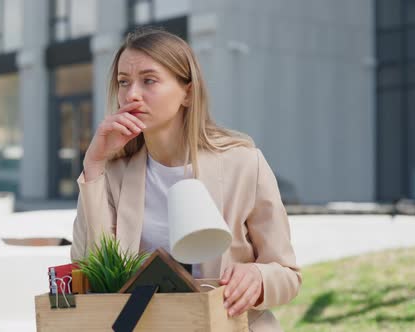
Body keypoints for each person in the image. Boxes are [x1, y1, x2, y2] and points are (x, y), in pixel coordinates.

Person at [70, 28, 301, 331]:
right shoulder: (112, 173)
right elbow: (89, 273)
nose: (131, 95)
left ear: (188, 92)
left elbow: (287, 275)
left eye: (148, 80)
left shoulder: (244, 163)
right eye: (123, 82)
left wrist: (258, 277)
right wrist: (94, 163)